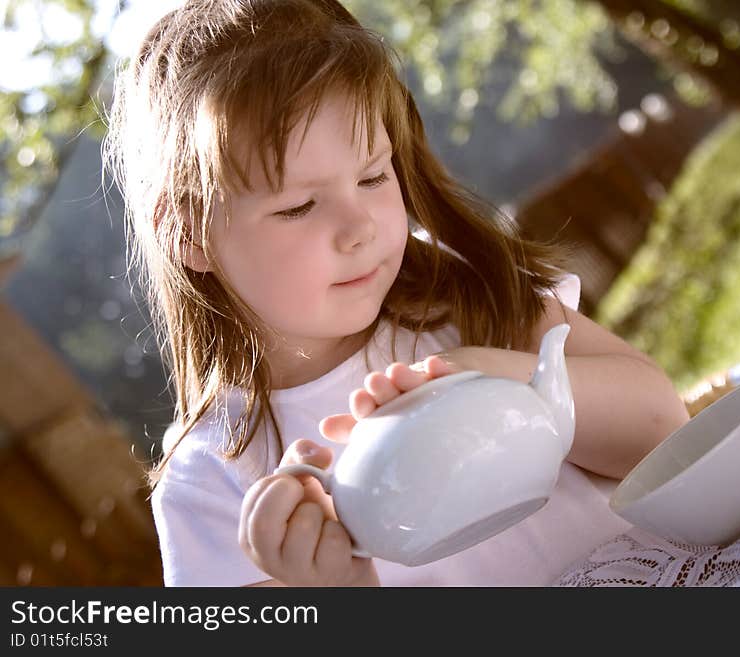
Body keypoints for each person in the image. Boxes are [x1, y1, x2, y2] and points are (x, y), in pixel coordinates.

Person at [104, 0, 690, 587]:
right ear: (188, 234)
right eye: (299, 206)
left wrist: (498, 374)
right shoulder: (211, 481)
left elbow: (663, 430)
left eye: (373, 177)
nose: (360, 228)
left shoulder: (461, 296)